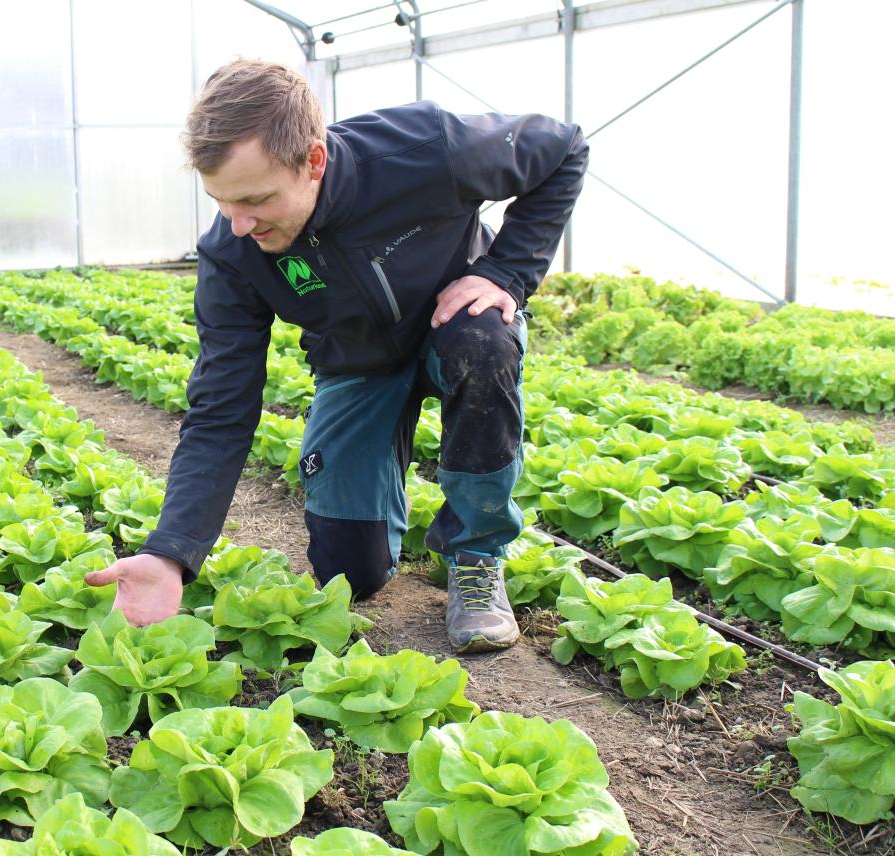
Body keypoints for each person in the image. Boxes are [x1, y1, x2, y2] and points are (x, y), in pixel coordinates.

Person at [86, 58, 588, 653]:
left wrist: (506, 271)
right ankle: (379, 500)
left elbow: (562, 150)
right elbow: (220, 409)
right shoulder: (232, 254)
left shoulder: (426, 151)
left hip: (451, 325)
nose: (238, 224)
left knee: (485, 341)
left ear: (313, 161)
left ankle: (477, 553)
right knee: (352, 575)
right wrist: (171, 552)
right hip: (356, 365)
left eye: (257, 199)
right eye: (221, 201)